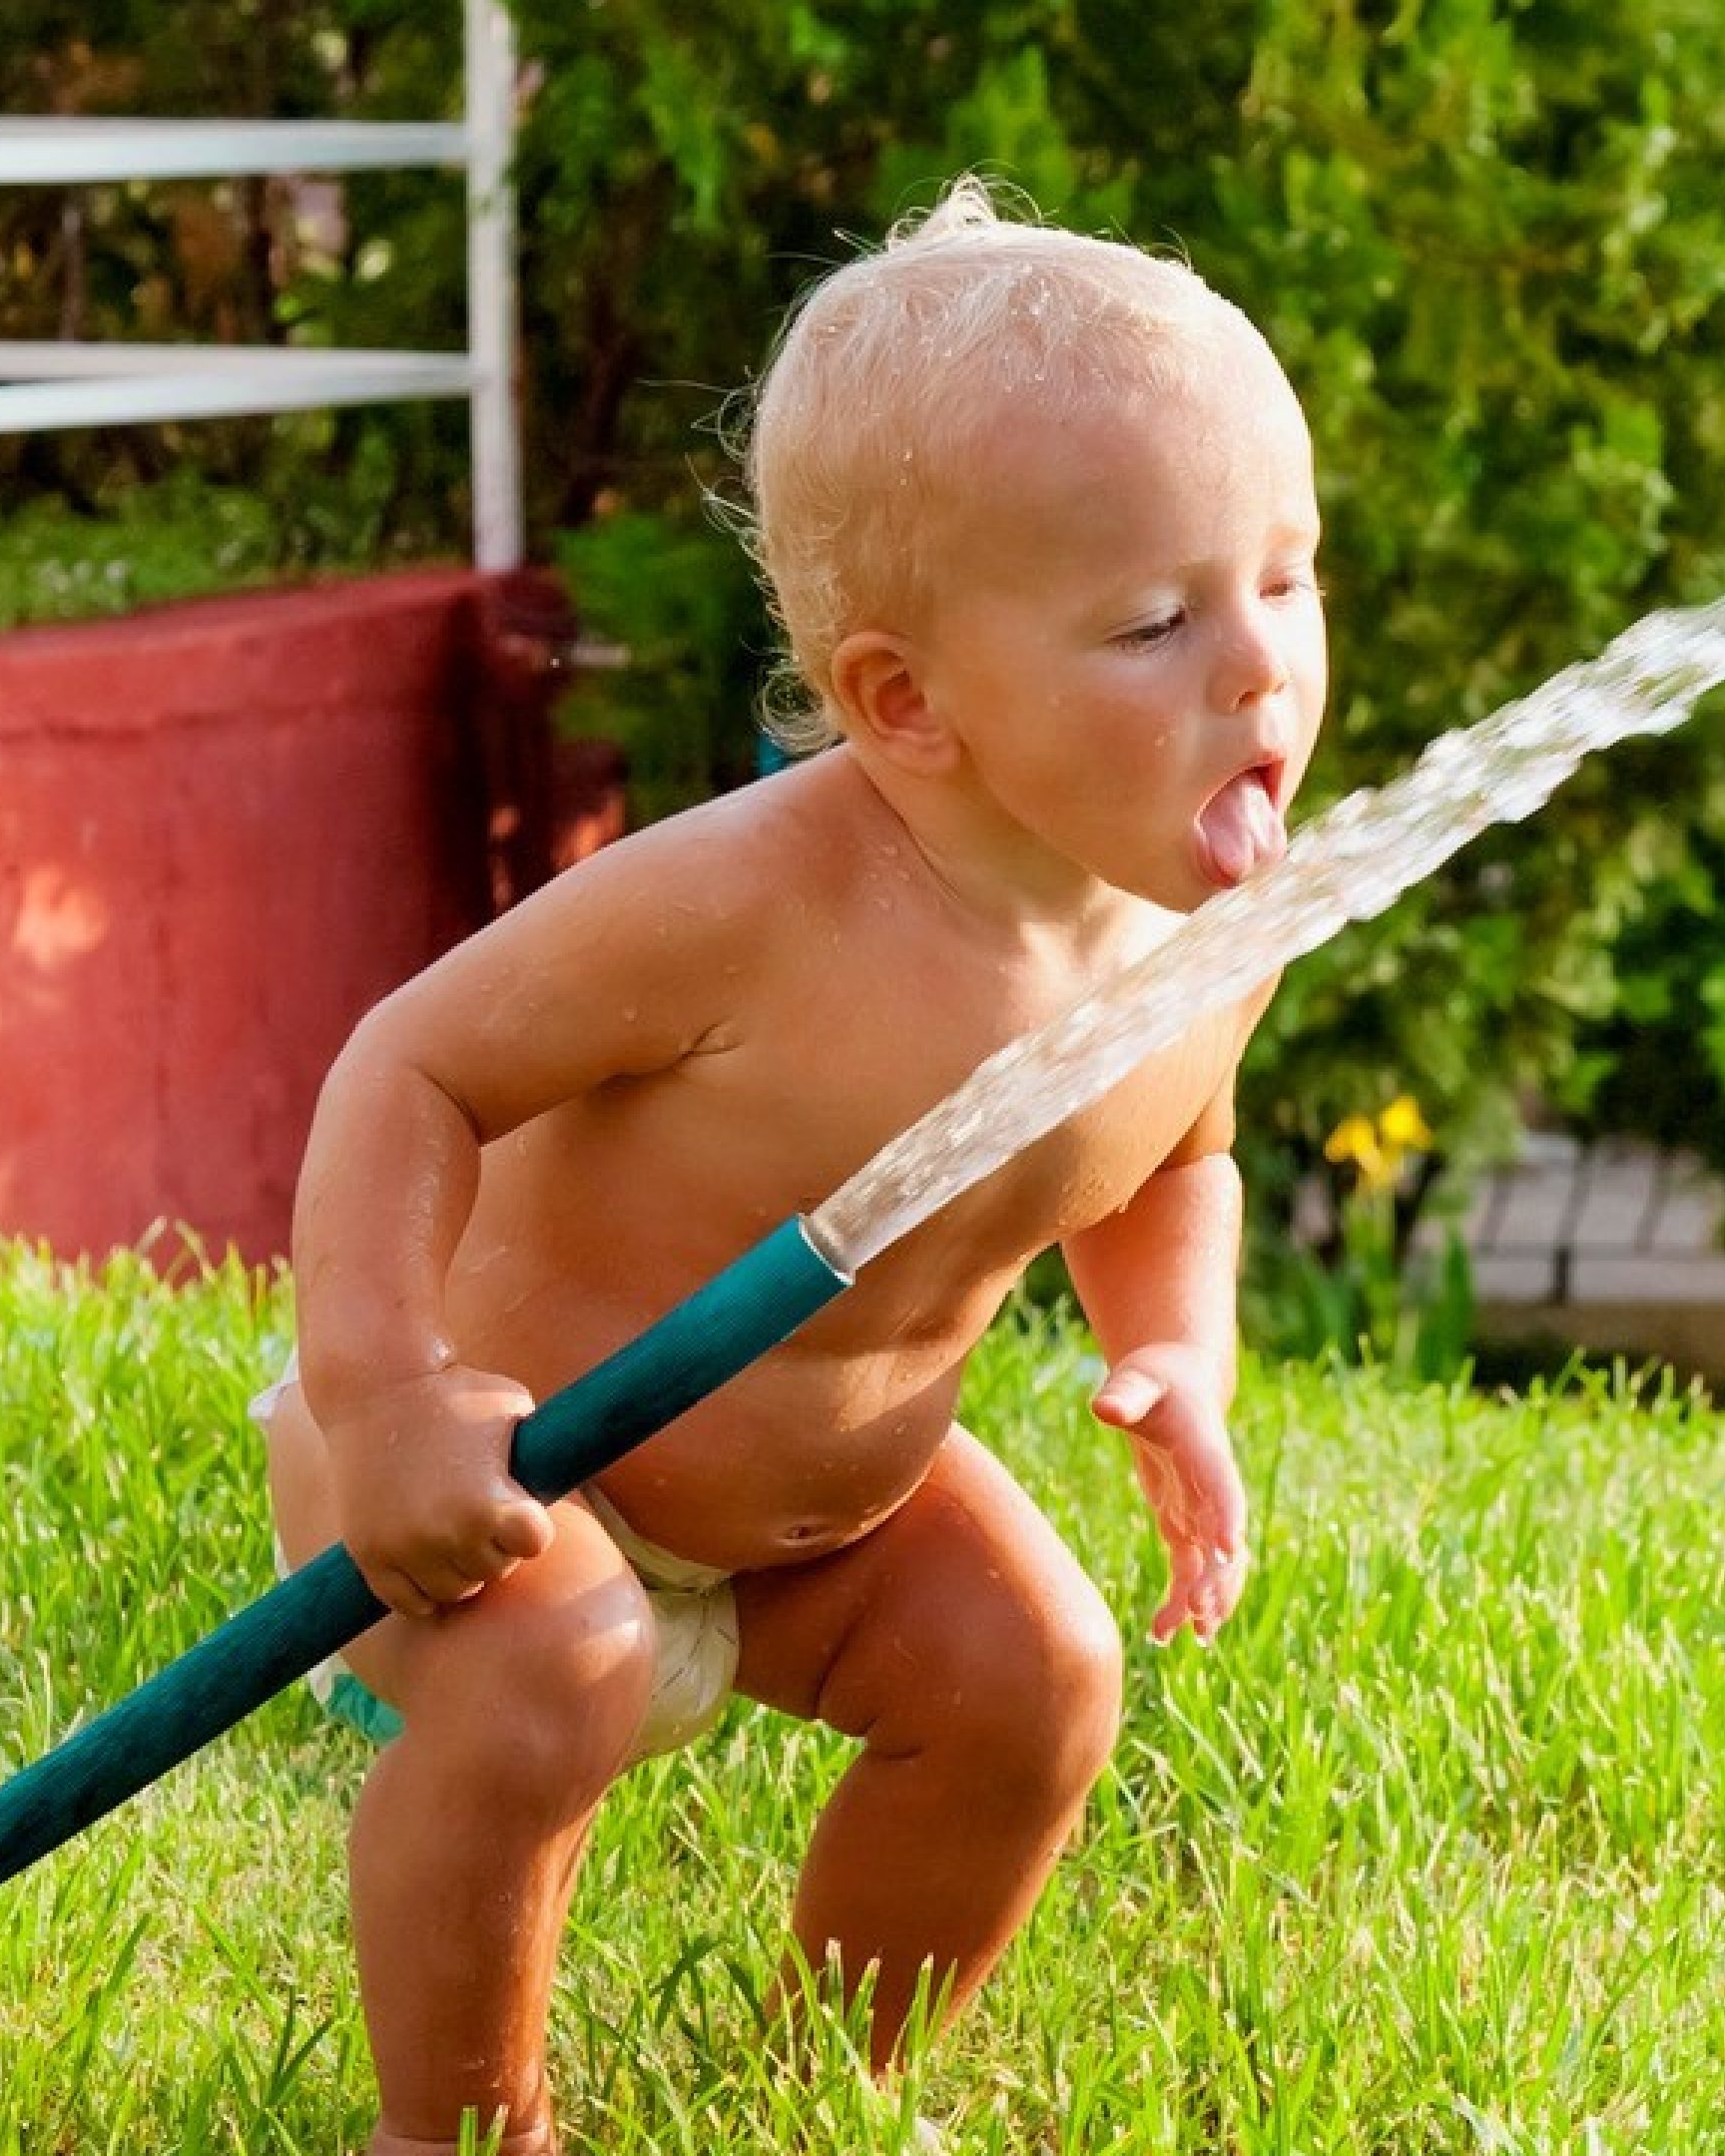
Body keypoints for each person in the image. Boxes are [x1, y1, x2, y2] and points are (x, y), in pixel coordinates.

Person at [258, 178, 1328, 2156]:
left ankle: (800, 2100)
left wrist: (1181, 1355)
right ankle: (465, 2131)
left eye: (1288, 573)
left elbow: (1184, 1152)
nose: (1258, 667)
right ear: (906, 700)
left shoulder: (1201, 938)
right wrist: (388, 1395)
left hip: (825, 1516)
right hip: (501, 1470)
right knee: (552, 1679)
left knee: (1035, 1677)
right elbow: (404, 1070)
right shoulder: (749, 911)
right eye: (1159, 620)